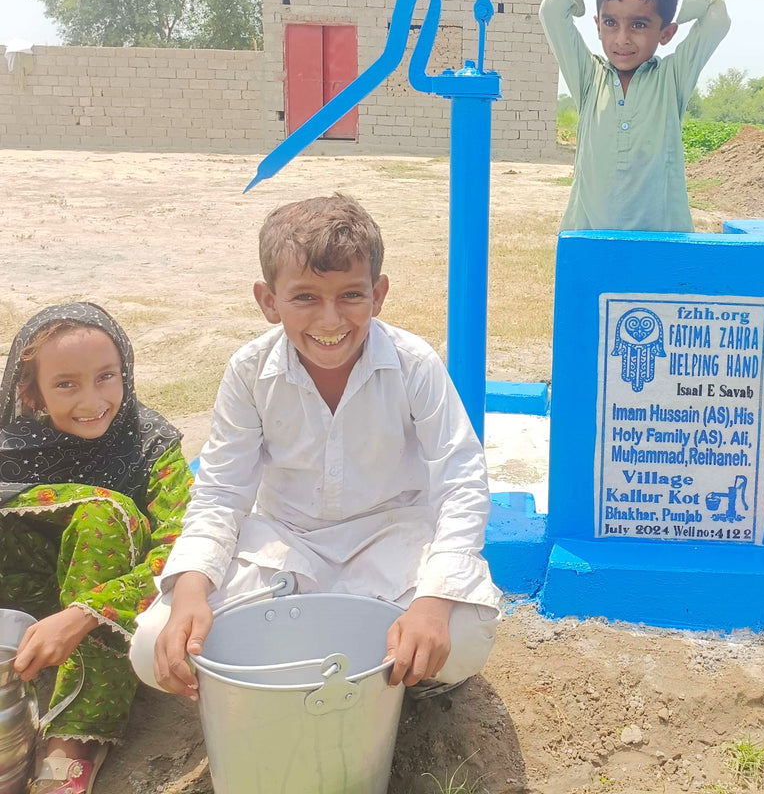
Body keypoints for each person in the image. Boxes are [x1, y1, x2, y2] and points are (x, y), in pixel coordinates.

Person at [129, 193, 500, 700]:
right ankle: (366, 659)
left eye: (351, 295)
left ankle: (385, 671)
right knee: (152, 644)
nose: (330, 321)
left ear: (378, 294)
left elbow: (461, 482)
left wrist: (433, 604)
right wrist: (192, 591)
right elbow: (220, 492)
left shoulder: (414, 363)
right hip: (286, 544)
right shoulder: (249, 371)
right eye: (305, 297)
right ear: (268, 301)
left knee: (465, 638)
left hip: (390, 541)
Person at [0, 303, 190, 794]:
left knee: (106, 512)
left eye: (106, 376)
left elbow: (184, 550)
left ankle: (77, 736)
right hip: (22, 602)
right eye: (66, 384)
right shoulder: (9, 449)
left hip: (112, 601)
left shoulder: (150, 445)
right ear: (32, 393)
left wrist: (84, 613)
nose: (93, 400)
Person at [539, 0, 731, 233]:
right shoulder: (589, 78)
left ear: (666, 33)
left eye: (639, 25)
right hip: (591, 241)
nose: (622, 38)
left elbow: (717, 18)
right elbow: (553, 8)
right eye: (611, 23)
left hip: (662, 245)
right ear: (598, 25)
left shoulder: (671, 79)